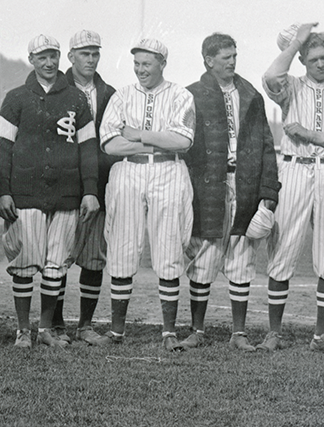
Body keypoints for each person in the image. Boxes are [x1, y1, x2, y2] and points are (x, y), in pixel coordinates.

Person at [262, 23, 324, 354]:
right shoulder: (290, 86)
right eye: (313, 59)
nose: (320, 64)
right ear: (303, 60)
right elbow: (270, 75)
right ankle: (274, 332)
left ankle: (321, 336)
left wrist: (311, 134)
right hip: (293, 168)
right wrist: (295, 44)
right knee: (282, 249)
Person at [0, 35, 99, 349]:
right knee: (25, 261)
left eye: (53, 57)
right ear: (32, 60)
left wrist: (90, 191)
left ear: (59, 58)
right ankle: (23, 330)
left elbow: (89, 149)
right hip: (25, 194)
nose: (49, 63)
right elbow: (2, 149)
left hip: (67, 194)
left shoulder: (77, 99)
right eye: (42, 58)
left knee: (57, 263)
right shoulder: (15, 98)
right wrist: (3, 191)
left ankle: (46, 329)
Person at [183, 33, 279, 351]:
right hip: (208, 185)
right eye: (226, 57)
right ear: (209, 60)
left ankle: (239, 332)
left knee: (241, 254)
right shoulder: (193, 94)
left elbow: (266, 146)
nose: (232, 61)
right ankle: (197, 329)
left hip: (244, 182)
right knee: (204, 255)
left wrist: (268, 191)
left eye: (234, 55)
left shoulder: (250, 94)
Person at [99, 38, 195, 349]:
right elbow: (111, 144)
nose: (141, 70)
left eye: (147, 64)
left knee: (168, 250)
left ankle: (168, 332)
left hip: (168, 171)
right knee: (123, 249)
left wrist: (139, 134)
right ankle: (116, 331)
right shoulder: (122, 95)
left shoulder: (180, 95)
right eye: (137, 64)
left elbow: (182, 142)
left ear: (162, 64)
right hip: (129, 170)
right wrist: (158, 139)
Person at [60, 30, 116, 345]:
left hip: (99, 186)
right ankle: (54, 325)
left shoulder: (109, 93)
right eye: (84, 53)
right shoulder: (56, 88)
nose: (91, 59)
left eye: (95, 53)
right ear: (71, 56)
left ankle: (85, 325)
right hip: (65, 185)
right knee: (59, 255)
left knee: (94, 257)